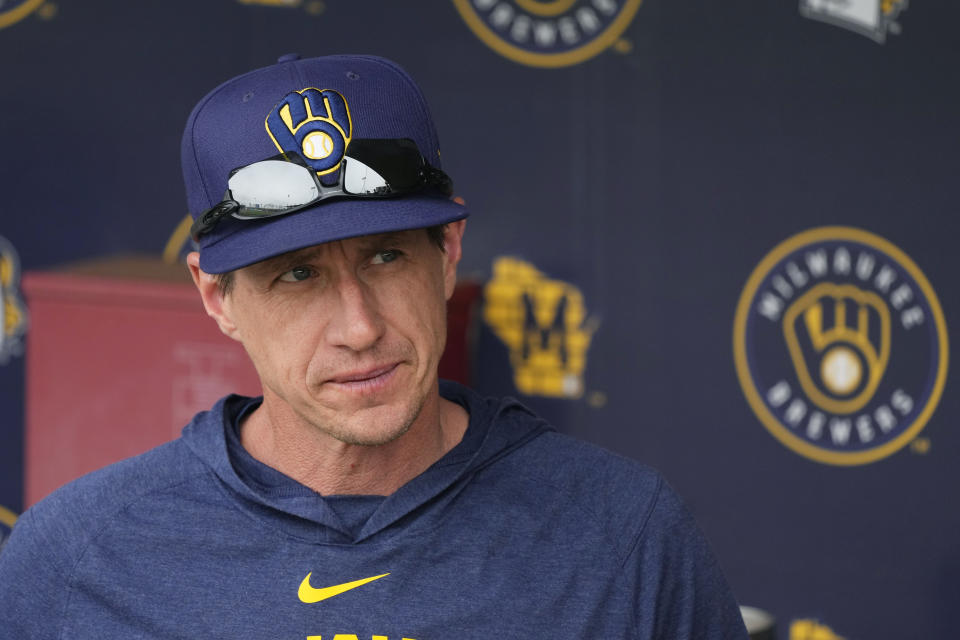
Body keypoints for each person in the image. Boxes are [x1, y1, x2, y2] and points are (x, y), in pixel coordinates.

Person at [0, 54, 749, 639]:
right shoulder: (73, 559)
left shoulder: (627, 535)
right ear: (216, 297)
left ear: (449, 251)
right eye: (298, 274)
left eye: (387, 257)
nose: (360, 328)